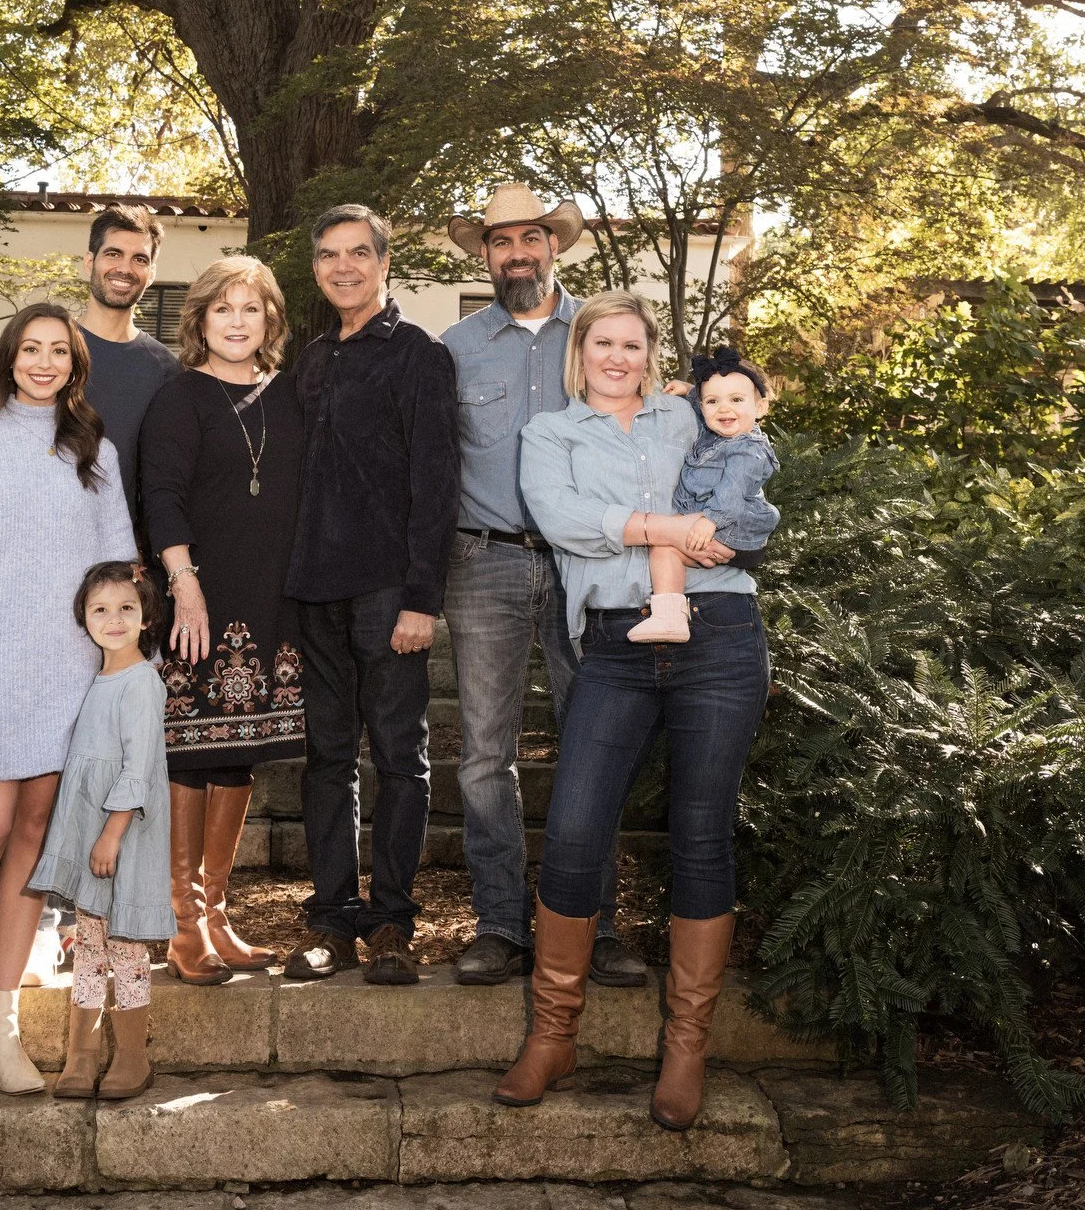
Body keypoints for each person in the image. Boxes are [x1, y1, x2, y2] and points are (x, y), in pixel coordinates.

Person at [495, 291, 770, 1132]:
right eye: (602, 343)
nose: (618, 357)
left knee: (701, 834)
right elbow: (567, 523)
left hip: (719, 636)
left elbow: (750, 472)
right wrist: (668, 525)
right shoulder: (549, 436)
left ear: (651, 354)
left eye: (632, 344)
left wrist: (723, 528)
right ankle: (554, 1034)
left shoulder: (689, 420)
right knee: (575, 829)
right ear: (580, 353)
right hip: (614, 645)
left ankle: (687, 1045)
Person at [0, 304, 136, 1103]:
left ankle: (0, 1023)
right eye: (30, 350)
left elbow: (120, 569)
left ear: (75, 366)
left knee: (40, 834)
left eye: (58, 352)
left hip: (71, 666)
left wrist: (119, 668)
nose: (43, 362)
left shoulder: (97, 453)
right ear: (8, 358)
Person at [440, 186, 645, 990]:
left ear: (554, 246)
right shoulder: (455, 347)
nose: (517, 252)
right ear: (485, 255)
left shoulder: (596, 338)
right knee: (485, 755)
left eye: (532, 237)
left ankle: (594, 925)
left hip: (587, 565)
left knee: (592, 743)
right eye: (501, 242)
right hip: (481, 561)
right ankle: (498, 924)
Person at [282, 205, 459, 987]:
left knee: (399, 758)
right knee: (326, 758)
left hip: (390, 592)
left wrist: (423, 598)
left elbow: (436, 482)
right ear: (317, 268)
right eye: (329, 255)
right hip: (313, 589)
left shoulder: (419, 355)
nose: (343, 267)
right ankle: (331, 920)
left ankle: (392, 920)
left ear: (385, 263)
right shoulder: (309, 360)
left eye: (358, 253)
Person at [138, 258, 306, 984]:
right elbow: (162, 496)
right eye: (223, 309)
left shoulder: (290, 396)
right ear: (199, 320)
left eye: (252, 308)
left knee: (236, 752)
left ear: (271, 320)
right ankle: (181, 926)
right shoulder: (180, 398)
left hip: (270, 597)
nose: (238, 321)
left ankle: (217, 916)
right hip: (199, 597)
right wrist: (185, 584)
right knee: (191, 750)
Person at [29, 561, 174, 1102]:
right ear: (83, 617)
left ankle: (133, 1055)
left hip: (123, 835)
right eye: (100, 610)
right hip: (92, 832)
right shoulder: (95, 681)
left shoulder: (141, 683)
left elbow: (138, 768)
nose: (113, 620)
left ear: (146, 617)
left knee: (125, 945)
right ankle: (82, 1053)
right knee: (89, 942)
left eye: (126, 609)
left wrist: (111, 834)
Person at [629, 344, 780, 645]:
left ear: (760, 407)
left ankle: (670, 618)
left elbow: (732, 493)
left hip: (729, 526)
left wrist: (708, 521)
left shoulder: (749, 449)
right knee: (664, 541)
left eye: (737, 399)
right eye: (712, 401)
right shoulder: (716, 435)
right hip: (717, 520)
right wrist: (689, 392)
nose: (724, 409)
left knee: (664, 547)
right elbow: (704, 411)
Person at [77, 204, 180, 518]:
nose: (125, 268)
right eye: (113, 254)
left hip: (119, 550)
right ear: (89, 263)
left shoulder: (166, 369)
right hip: (37, 539)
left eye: (140, 259)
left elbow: (165, 474)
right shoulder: (47, 351)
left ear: (151, 275)